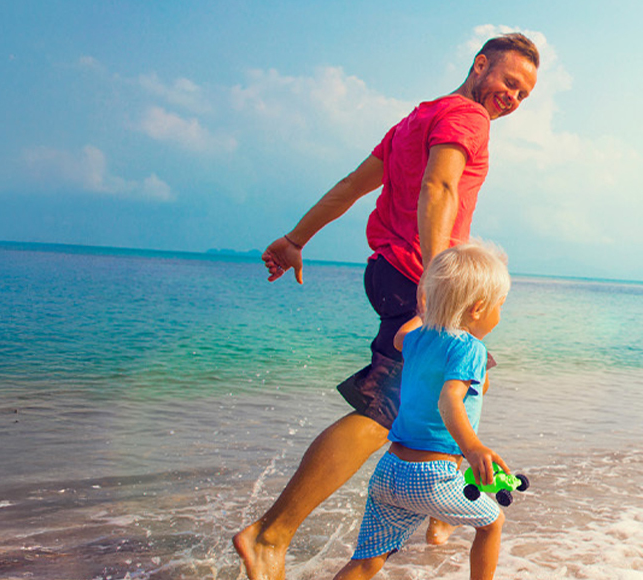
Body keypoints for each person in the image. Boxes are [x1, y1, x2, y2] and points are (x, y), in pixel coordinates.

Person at [234, 33, 539, 580]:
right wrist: (433, 281)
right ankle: (268, 535)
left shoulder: (414, 120)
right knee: (382, 413)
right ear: (480, 66)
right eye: (509, 82)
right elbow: (439, 188)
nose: (513, 98)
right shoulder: (468, 119)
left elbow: (352, 186)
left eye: (524, 95)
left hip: (394, 272)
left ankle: (439, 510)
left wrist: (296, 238)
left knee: (472, 374)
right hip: (420, 279)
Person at [333, 241, 512, 580]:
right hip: (430, 477)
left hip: (389, 471)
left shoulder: (418, 338)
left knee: (368, 560)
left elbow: (400, 339)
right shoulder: (470, 348)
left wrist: (423, 312)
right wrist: (473, 448)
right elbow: (449, 400)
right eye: (499, 306)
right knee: (492, 523)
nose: (500, 316)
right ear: (477, 309)